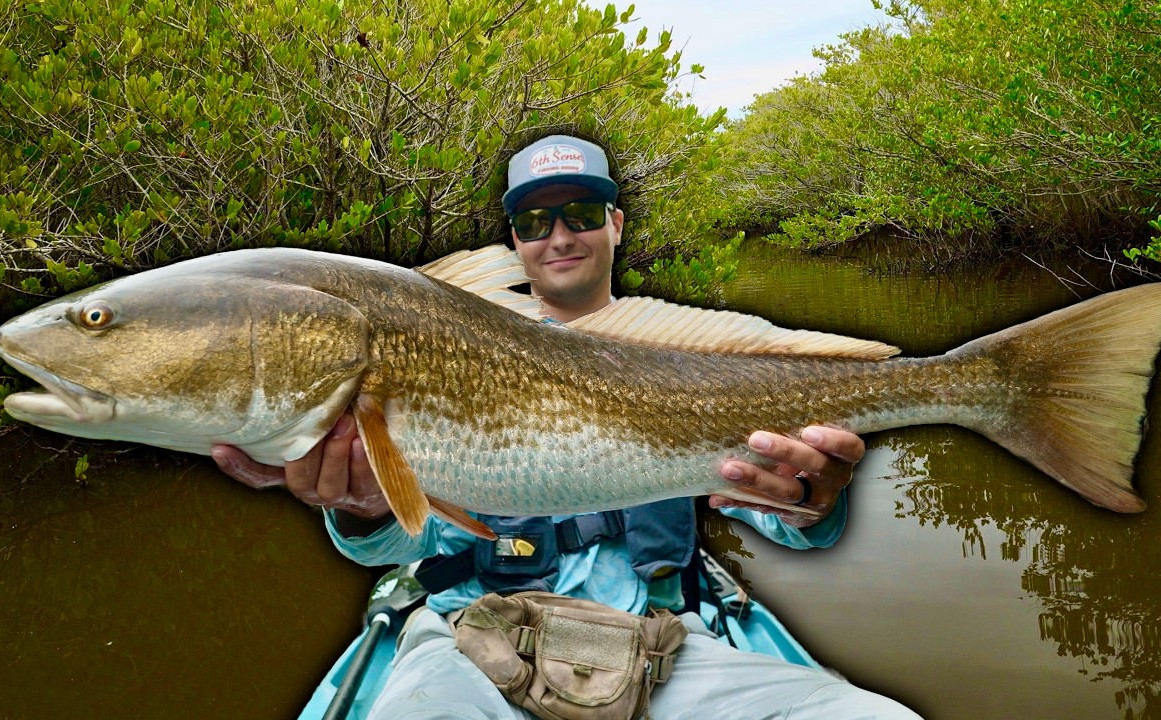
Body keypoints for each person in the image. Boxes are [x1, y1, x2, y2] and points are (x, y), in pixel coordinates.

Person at [212, 135, 919, 719]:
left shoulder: (687, 353)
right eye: (532, 222)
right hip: (469, 640)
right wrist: (360, 507)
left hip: (663, 642)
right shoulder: (437, 335)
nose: (558, 236)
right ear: (513, 240)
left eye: (580, 211)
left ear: (615, 223)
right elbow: (407, 539)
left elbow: (785, 518)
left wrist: (809, 500)